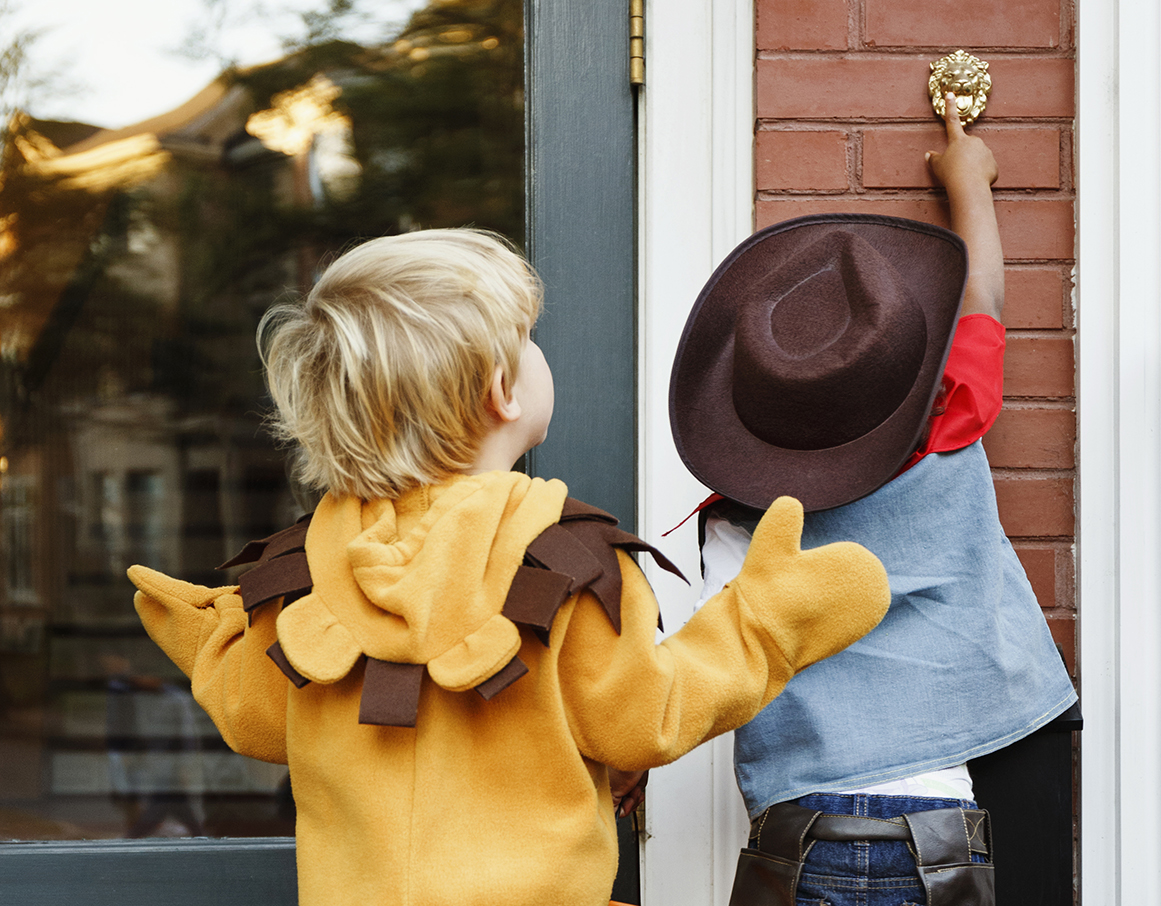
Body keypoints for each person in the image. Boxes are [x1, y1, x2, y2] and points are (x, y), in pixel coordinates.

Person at [126, 228, 892, 906]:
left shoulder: (302, 573)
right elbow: (643, 720)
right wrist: (763, 619)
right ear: (501, 390)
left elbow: (256, 717)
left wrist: (212, 636)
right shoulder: (566, 559)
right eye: (529, 336)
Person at [666, 94, 1078, 906]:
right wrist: (972, 184)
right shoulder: (952, 421)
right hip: (958, 792)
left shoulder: (735, 516)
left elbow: (699, 660)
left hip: (805, 824)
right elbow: (983, 298)